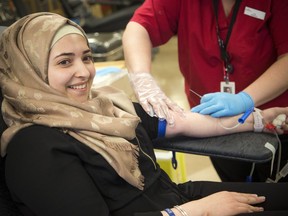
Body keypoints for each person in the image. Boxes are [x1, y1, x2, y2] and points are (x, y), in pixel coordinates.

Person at [1, 12, 288, 216]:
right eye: (65, 62)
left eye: (86, 57)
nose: (84, 72)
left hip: (175, 197)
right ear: (30, 72)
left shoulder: (106, 106)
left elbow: (187, 123)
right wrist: (194, 212)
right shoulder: (33, 148)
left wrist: (262, 119)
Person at [122, 0, 288, 182]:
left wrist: (245, 99)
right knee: (238, 187)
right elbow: (139, 28)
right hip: (213, 120)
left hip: (276, 119)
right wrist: (141, 78)